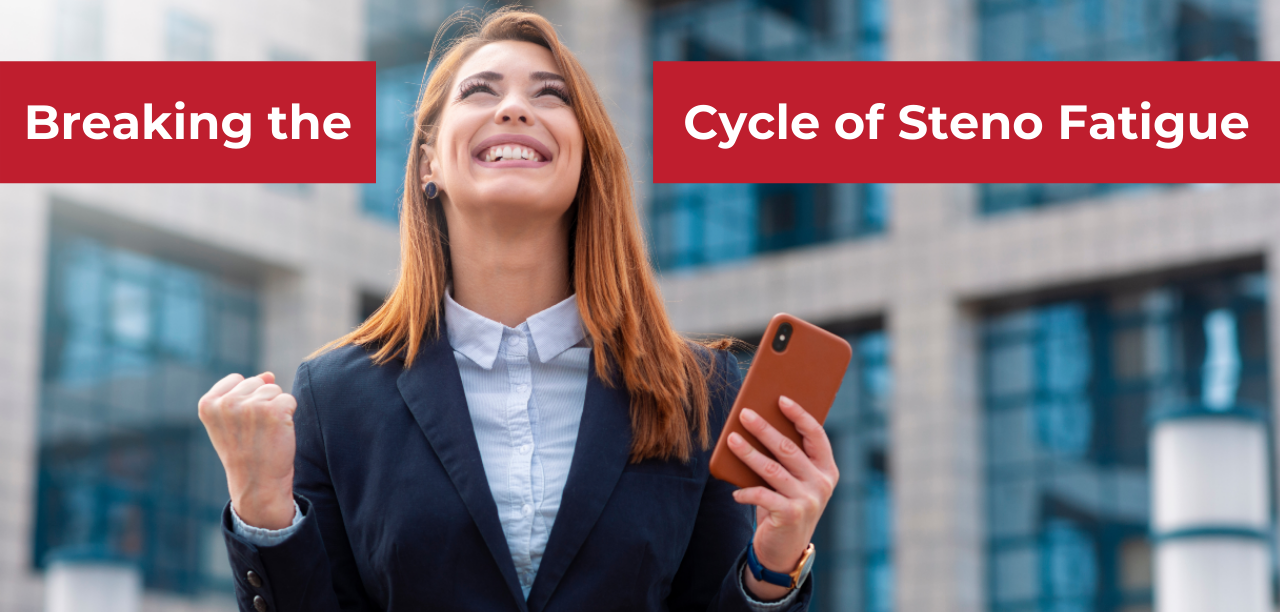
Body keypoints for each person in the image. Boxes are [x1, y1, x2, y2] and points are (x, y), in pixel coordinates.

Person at [197, 8, 838, 612]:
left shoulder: (699, 391)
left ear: (585, 159)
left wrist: (775, 563)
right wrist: (263, 512)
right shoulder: (335, 397)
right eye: (480, 90)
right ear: (428, 164)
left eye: (549, 95)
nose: (513, 109)